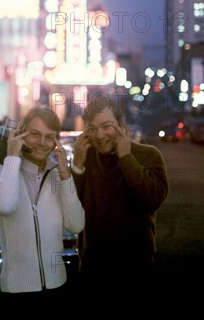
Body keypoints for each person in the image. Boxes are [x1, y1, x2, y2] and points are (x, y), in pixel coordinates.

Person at [71, 96, 168, 298]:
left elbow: (152, 198)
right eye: (92, 128)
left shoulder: (149, 155)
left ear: (121, 125)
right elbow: (71, 210)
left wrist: (126, 157)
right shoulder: (85, 156)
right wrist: (77, 165)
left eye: (107, 126)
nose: (100, 135)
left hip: (136, 268)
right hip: (93, 269)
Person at [0, 106, 85, 304]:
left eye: (49, 137)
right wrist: (12, 157)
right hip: (16, 293)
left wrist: (66, 175)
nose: (42, 143)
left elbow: (76, 225)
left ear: (56, 141)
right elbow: (6, 206)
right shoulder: (0, 171)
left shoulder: (58, 175)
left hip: (58, 286)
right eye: (35, 134)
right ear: (20, 134)